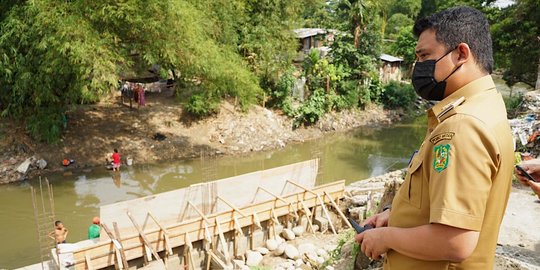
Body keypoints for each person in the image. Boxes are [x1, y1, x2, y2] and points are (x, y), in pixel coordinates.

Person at [355, 6, 514, 270]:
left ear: (461, 54)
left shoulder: (463, 127)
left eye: (425, 56)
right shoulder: (487, 105)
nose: (418, 67)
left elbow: (455, 241)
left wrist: (386, 237)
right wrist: (393, 217)